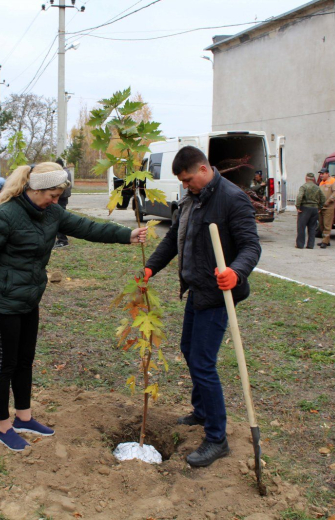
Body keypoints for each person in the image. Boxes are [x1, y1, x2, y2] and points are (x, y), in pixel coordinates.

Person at [0, 162, 148, 452]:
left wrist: (126, 235)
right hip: (2, 302)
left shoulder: (51, 212)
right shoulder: (4, 215)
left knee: (25, 360)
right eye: (52, 195)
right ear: (35, 189)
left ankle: (24, 417)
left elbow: (86, 227)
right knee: (5, 364)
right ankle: (4, 427)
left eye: (59, 196)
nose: (56, 201)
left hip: (29, 299)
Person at [142, 146, 261, 468]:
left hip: (219, 294)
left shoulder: (232, 199)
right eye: (181, 181)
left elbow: (251, 245)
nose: (185, 185)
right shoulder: (190, 200)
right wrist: (151, 267)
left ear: (204, 169)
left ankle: (216, 438)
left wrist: (235, 272)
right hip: (197, 290)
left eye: (188, 179)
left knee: (203, 362)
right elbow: (172, 240)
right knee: (187, 348)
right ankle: (202, 410)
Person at [295, 173, 326, 249]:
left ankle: (300, 244)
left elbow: (299, 197)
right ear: (313, 179)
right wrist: (319, 207)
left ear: (306, 178)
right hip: (314, 209)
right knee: (312, 227)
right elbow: (323, 198)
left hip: (305, 208)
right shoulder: (317, 187)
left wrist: (298, 206)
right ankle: (310, 245)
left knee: (301, 227)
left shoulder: (304, 187)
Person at [318, 167, 335, 249]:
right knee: (321, 225)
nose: (321, 175)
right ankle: (326, 240)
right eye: (320, 174)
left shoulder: (333, 181)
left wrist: (328, 202)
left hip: (328, 207)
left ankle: (325, 242)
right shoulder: (321, 182)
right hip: (321, 207)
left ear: (327, 173)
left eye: (322, 174)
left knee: (327, 225)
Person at [53, 158, 73, 248]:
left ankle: (63, 240)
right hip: (63, 197)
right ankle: (61, 239)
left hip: (61, 198)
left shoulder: (62, 173)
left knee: (58, 218)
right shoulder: (67, 172)